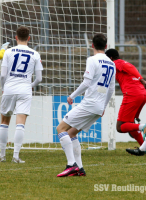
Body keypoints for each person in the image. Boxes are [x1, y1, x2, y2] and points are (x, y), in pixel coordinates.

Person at [56, 33, 115, 177]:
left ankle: (71, 165)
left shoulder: (92, 60)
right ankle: (80, 169)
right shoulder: (112, 63)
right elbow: (111, 89)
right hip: (99, 106)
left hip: (90, 103)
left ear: (92, 45)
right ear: (106, 46)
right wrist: (104, 107)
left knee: (61, 128)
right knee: (71, 133)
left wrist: (72, 96)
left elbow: (87, 82)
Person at [0, 26, 43, 163]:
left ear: (16, 38)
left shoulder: (8, 52)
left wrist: (4, 88)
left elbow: (3, 75)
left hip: (9, 88)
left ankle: (2, 156)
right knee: (20, 123)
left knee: (4, 122)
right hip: (25, 90)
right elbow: (39, 78)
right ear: (29, 38)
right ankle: (15, 156)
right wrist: (31, 86)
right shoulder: (35, 54)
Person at [105, 49, 146, 153]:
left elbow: (130, 68)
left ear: (111, 58)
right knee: (130, 124)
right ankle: (145, 149)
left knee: (120, 126)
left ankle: (143, 127)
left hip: (133, 94)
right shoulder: (122, 63)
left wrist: (143, 81)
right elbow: (131, 67)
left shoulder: (116, 63)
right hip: (142, 94)